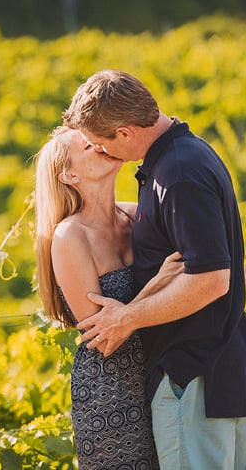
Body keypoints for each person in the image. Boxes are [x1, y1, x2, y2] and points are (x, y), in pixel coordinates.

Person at [63, 70, 246, 470]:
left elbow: (212, 279)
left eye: (101, 143)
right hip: (219, 369)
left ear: (124, 133)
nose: (103, 153)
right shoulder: (187, 156)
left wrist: (126, 317)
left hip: (194, 374)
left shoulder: (175, 174)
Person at [35, 125, 187, 468]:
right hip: (110, 395)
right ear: (69, 174)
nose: (101, 145)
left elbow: (191, 268)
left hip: (161, 379)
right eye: (88, 146)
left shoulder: (135, 214)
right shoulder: (69, 236)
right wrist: (159, 283)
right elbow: (104, 339)